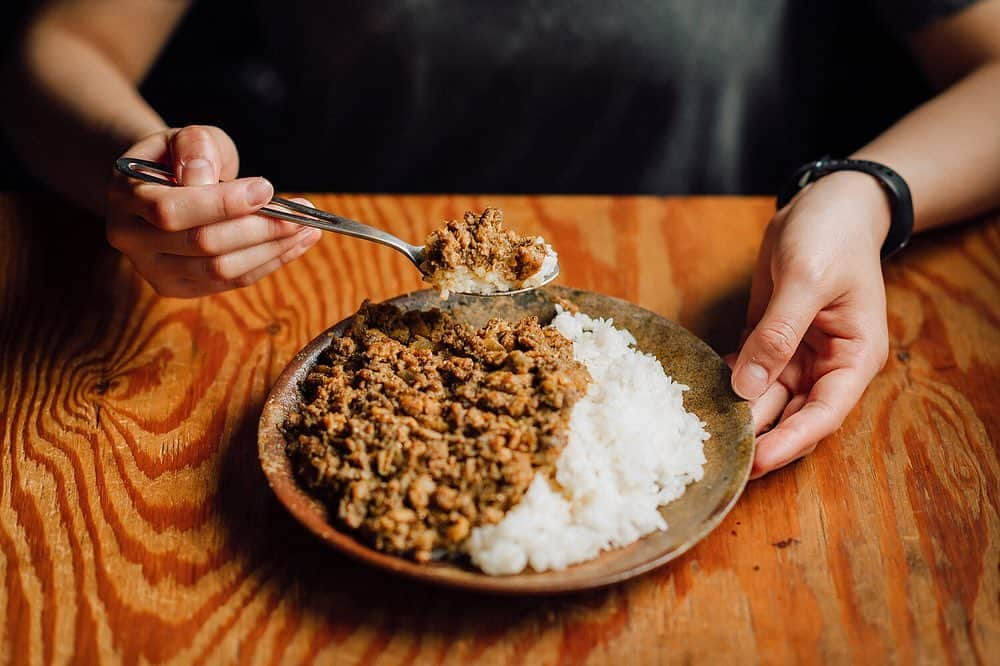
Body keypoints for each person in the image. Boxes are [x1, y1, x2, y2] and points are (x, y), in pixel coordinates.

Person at [2, 1, 998, 479]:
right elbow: (58, 50)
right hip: (311, 312)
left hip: (715, 321)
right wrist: (133, 168)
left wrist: (867, 197)